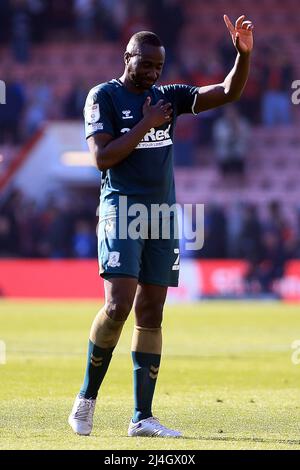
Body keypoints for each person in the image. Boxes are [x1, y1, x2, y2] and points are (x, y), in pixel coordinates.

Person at [68, 15, 254, 438]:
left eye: (159, 66)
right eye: (146, 64)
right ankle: (86, 398)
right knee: (118, 305)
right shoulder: (104, 97)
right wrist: (145, 124)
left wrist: (242, 56)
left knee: (151, 313)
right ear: (127, 57)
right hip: (121, 208)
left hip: (162, 214)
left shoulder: (166, 97)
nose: (153, 72)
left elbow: (227, 92)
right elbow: (102, 158)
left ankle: (142, 417)